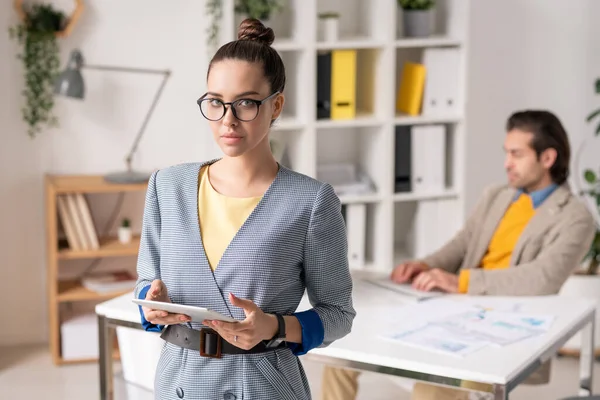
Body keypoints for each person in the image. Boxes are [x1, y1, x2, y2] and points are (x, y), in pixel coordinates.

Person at [135, 18, 356, 400]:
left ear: (276, 106)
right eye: (216, 103)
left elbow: (338, 314)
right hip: (177, 383)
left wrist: (273, 326)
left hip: (262, 386)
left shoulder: (311, 201)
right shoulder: (166, 187)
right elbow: (145, 283)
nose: (228, 120)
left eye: (246, 103)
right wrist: (150, 308)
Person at [321, 110, 596, 400]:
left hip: (503, 319)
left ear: (547, 158)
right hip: (452, 306)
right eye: (506, 153)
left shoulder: (576, 217)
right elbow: (463, 244)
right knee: (341, 351)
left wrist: (460, 282)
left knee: (433, 385)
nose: (507, 164)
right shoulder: (498, 195)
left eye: (516, 155)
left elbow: (543, 279)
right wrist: (425, 265)